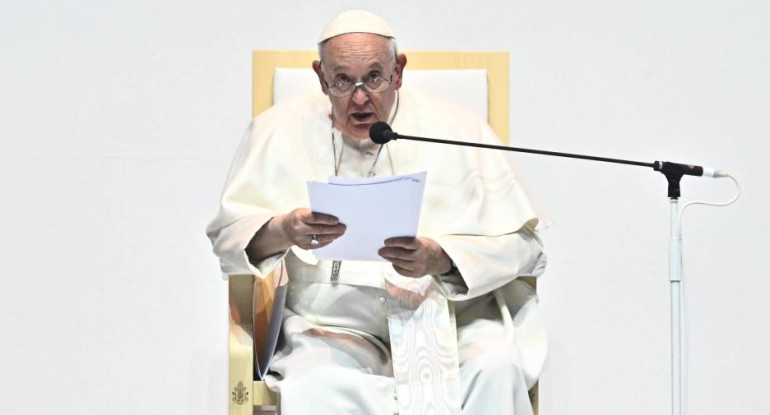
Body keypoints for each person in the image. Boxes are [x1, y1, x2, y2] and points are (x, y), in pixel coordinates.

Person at [207, 9, 547, 415]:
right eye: (343, 80)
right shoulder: (276, 130)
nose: (360, 97)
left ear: (398, 71)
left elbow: (527, 247)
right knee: (316, 385)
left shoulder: (458, 128)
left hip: (452, 321)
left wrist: (443, 259)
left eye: (374, 77)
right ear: (321, 77)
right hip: (329, 330)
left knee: (494, 367)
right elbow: (227, 239)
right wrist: (282, 229)